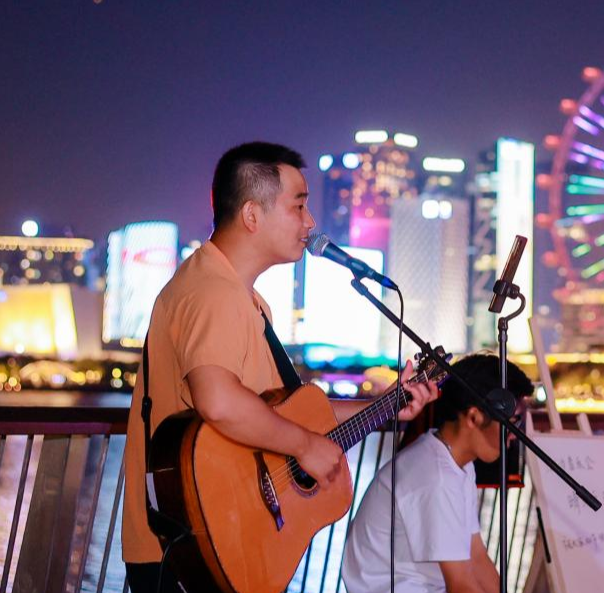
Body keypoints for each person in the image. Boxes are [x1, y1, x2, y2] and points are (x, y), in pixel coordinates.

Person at [120, 142, 439, 592]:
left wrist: (386, 403)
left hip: (226, 540)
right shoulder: (213, 292)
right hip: (190, 548)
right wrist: (305, 445)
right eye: (299, 205)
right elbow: (219, 401)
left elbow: (284, 413)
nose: (310, 223)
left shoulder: (244, 299)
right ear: (252, 215)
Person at [341, 354, 534, 593]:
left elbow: (476, 557)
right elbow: (461, 585)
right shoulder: (436, 475)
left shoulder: (457, 464)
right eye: (513, 421)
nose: (516, 433)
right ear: (474, 417)